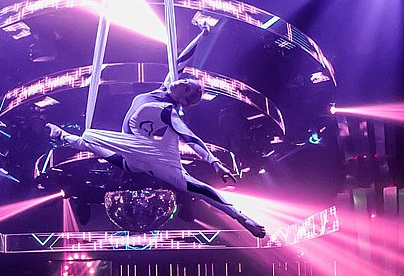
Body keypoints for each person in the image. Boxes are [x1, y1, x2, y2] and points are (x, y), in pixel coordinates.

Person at [47, 23, 266, 238]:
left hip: (150, 151)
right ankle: (61, 135)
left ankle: (241, 217)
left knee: (195, 187)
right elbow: (181, 61)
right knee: (89, 142)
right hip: (135, 157)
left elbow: (188, 136)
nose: (180, 82)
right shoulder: (164, 90)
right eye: (184, 81)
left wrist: (214, 162)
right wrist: (201, 37)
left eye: (185, 87)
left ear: (184, 100)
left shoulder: (167, 110)